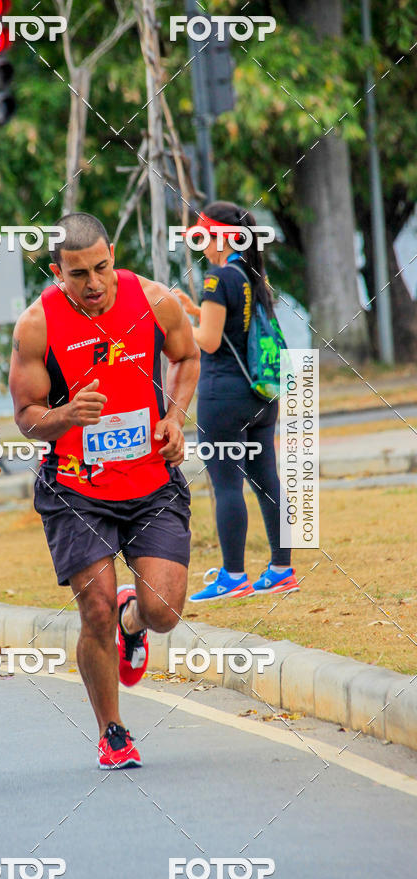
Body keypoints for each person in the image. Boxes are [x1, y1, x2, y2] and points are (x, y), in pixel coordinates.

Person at [9, 213, 199, 769]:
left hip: (151, 482)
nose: (93, 284)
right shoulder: (37, 324)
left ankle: (132, 622)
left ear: (112, 255)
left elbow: (187, 356)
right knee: (94, 610)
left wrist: (175, 417)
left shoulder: (155, 300)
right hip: (76, 489)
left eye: (101, 268)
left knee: (164, 610)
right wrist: (66, 414)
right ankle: (112, 731)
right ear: (56, 272)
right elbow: (25, 415)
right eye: (78, 274)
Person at [173, 201, 299, 601]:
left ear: (223, 238)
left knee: (227, 485)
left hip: (223, 397)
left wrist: (179, 324)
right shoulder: (252, 274)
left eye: (203, 237)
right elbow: (235, 326)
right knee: (266, 481)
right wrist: (196, 312)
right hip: (261, 396)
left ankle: (233, 577)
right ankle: (281, 570)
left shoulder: (217, 277)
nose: (201, 246)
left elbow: (209, 341)